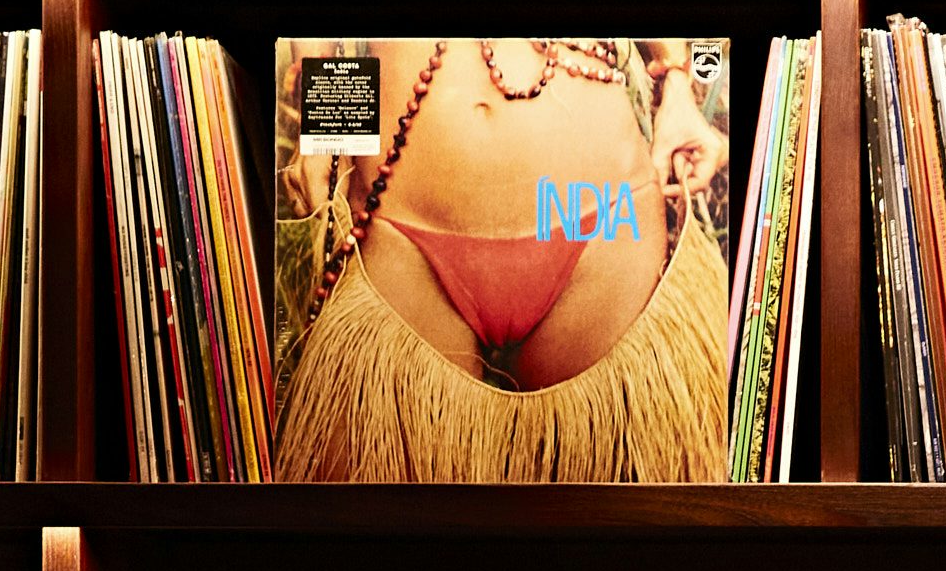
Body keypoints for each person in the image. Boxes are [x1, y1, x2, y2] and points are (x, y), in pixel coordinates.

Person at [272, 37, 734, 481]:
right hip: (403, 220)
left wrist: (676, 86)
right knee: (365, 529)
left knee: (632, 534)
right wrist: (321, 130)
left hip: (600, 219)